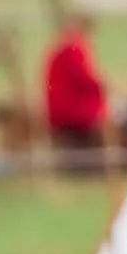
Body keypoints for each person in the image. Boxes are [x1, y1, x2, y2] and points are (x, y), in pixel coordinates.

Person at [43, 13, 108, 171]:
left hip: (59, 107)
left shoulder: (61, 47)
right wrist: (104, 86)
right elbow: (85, 78)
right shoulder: (74, 47)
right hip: (71, 110)